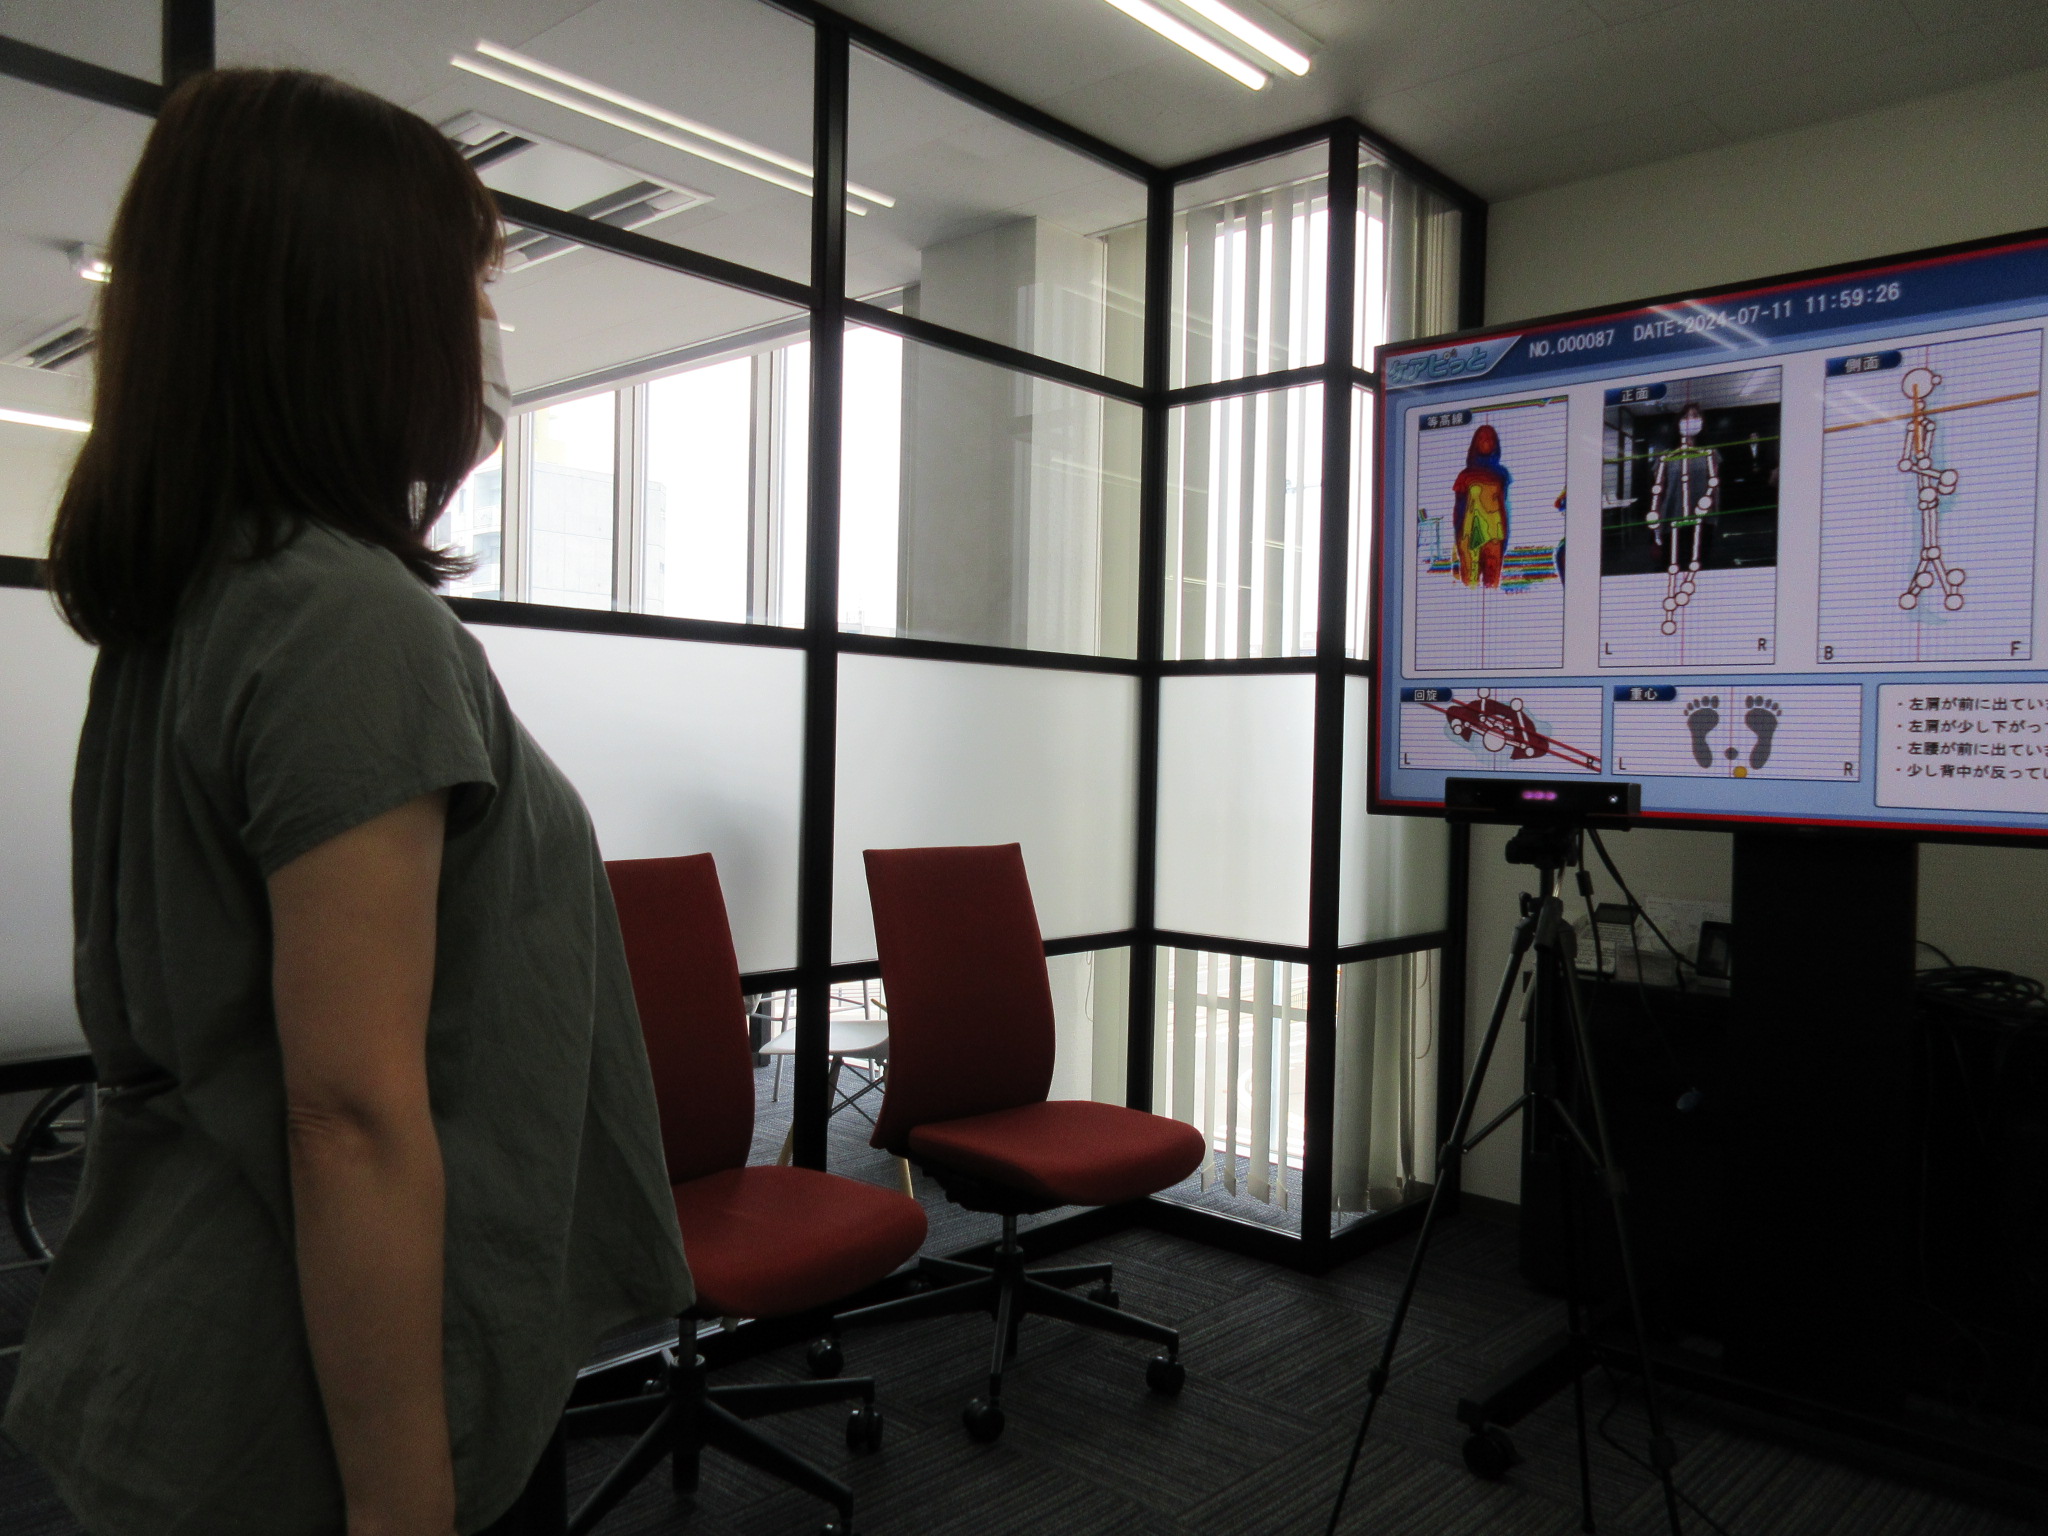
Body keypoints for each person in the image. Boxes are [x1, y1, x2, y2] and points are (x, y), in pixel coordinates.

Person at [6, 69, 691, 1536]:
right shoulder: (343, 621)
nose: (485, 330)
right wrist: (403, 1510)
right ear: (366, 314)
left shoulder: (205, 598)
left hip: (198, 1337)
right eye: (471, 288)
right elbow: (352, 1118)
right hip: (326, 1404)